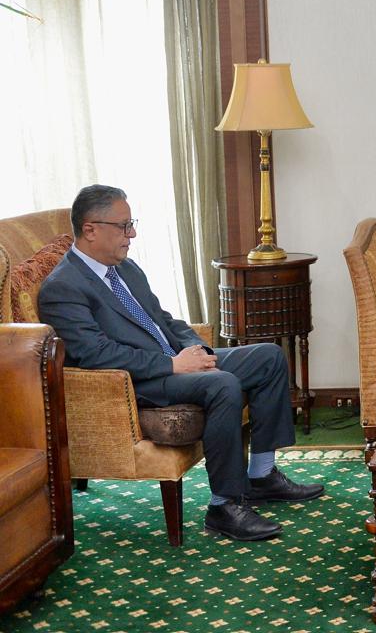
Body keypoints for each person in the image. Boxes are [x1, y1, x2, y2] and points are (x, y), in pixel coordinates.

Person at [39, 185, 324, 542]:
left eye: (132, 224)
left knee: (268, 356)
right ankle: (224, 506)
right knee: (222, 384)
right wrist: (172, 365)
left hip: (173, 361)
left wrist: (196, 350)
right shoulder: (62, 288)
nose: (132, 234)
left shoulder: (125, 269)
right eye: (124, 226)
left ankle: (261, 475)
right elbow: (96, 354)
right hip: (134, 382)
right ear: (90, 229)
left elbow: (164, 320)